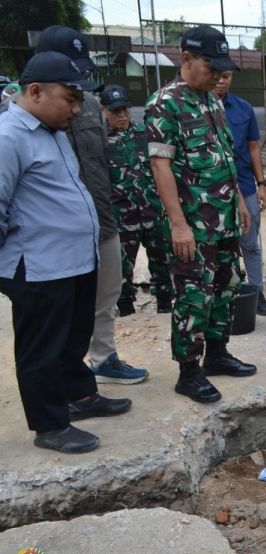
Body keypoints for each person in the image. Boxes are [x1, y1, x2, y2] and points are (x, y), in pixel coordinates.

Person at [0, 52, 132, 453]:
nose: (77, 109)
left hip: (75, 260)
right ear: (36, 91)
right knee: (42, 347)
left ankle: (79, 396)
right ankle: (50, 424)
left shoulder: (54, 132)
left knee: (75, 337)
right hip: (39, 266)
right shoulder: (9, 137)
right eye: (70, 99)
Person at [34, 25, 150, 384]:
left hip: (102, 216)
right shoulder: (29, 115)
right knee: (64, 306)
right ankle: (63, 377)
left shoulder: (89, 108)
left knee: (107, 293)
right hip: (58, 229)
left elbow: (101, 162)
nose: (79, 77)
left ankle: (103, 357)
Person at [146, 25, 256, 404]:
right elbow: (162, 168)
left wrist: (240, 200)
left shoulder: (211, 100)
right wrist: (178, 225)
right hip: (193, 225)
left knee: (225, 287)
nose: (218, 75)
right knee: (194, 296)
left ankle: (217, 354)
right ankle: (189, 372)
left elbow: (228, 156)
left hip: (224, 218)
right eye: (212, 67)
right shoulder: (165, 104)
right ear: (186, 59)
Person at [99, 84, 173, 316]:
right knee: (122, 267)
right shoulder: (100, 141)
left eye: (125, 110)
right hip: (122, 216)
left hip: (152, 211)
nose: (122, 115)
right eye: (115, 111)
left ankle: (165, 303)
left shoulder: (144, 134)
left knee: (162, 260)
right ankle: (126, 307)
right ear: (103, 111)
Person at [214, 70, 266, 316]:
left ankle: (257, 293)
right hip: (213, 190)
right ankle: (226, 296)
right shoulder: (198, 108)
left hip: (246, 185)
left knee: (250, 244)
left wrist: (261, 184)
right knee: (221, 247)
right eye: (217, 75)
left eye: (226, 75)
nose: (221, 79)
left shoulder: (243, 108)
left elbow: (252, 147)